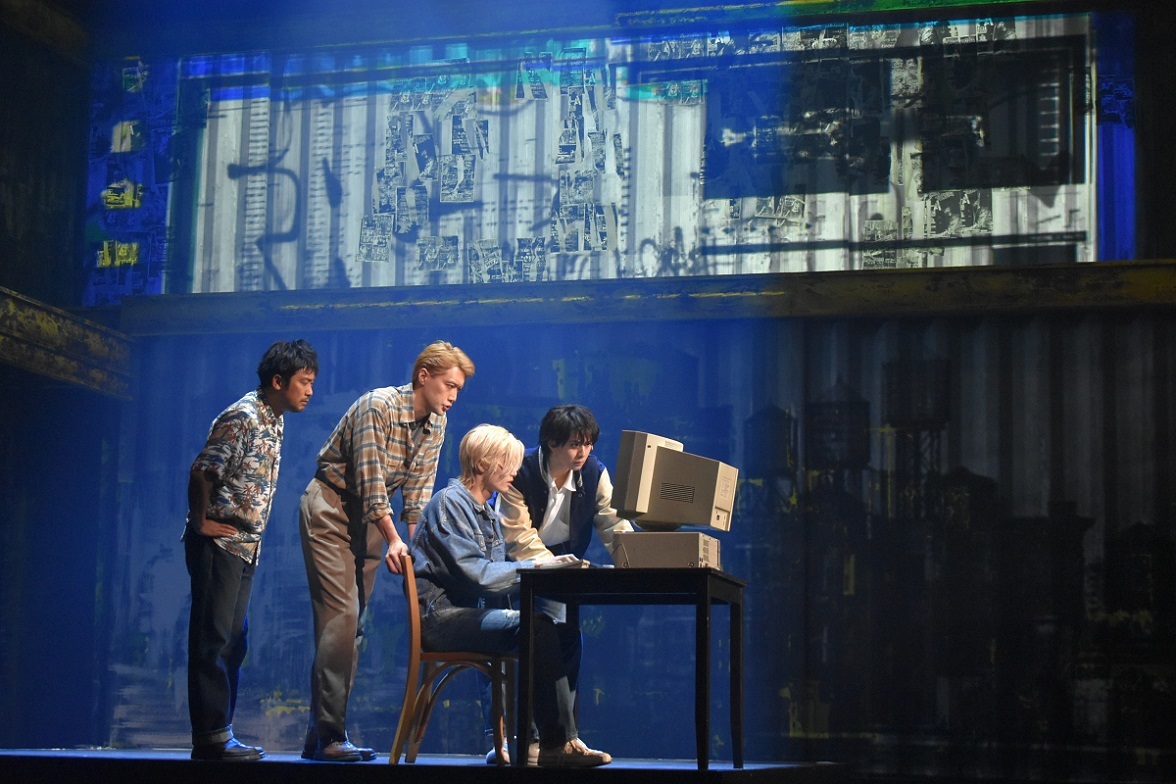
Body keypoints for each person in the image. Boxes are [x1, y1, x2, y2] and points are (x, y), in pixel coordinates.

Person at [299, 340, 474, 762]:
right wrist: (394, 538)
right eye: (449, 385)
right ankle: (329, 736)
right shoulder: (377, 406)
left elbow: (417, 494)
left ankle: (321, 735)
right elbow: (371, 484)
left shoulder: (436, 422)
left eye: (458, 389)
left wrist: (415, 547)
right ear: (423, 376)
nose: (453, 396)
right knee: (341, 618)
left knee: (354, 625)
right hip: (332, 508)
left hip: (373, 523)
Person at [411, 424, 613, 768]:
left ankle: (552, 739)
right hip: (442, 619)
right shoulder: (449, 503)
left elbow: (497, 578)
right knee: (536, 629)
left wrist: (561, 569)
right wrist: (539, 565)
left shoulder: (487, 512)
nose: (515, 472)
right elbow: (478, 575)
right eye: (508, 464)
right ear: (482, 464)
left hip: (471, 614)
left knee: (562, 630)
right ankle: (550, 744)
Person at [185, 339, 318, 761]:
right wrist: (201, 522)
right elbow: (203, 471)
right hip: (220, 542)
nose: (309, 390)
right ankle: (210, 738)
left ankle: (221, 733)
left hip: (244, 546)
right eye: (304, 382)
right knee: (213, 638)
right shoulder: (243, 416)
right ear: (278, 381)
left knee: (233, 641)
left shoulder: (274, 419)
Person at [482, 404, 633, 762]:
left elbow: (613, 523)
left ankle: (563, 739)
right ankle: (513, 739)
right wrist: (555, 565)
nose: (583, 452)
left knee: (568, 642)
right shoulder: (520, 472)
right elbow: (518, 538)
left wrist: (636, 558)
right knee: (527, 644)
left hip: (562, 570)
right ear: (551, 443)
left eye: (589, 444)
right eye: (575, 444)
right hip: (516, 570)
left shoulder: (594, 472)